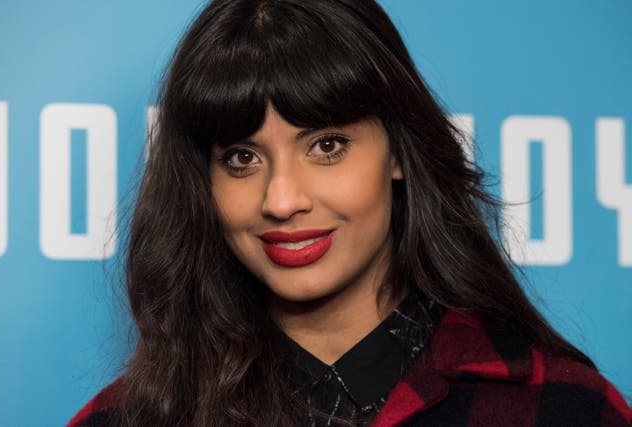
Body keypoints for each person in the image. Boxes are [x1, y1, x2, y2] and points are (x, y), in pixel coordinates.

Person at [67, 0, 632, 426]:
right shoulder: (129, 418)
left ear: (398, 151)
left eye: (327, 146)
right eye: (241, 157)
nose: (282, 200)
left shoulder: (562, 408)